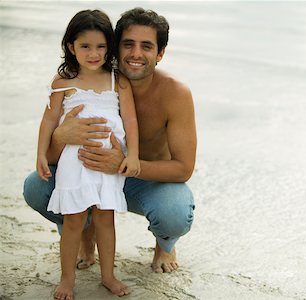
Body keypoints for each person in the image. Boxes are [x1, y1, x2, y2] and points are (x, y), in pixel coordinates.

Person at [24, 6, 196, 280]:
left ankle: (165, 246)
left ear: (160, 53)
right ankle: (84, 233)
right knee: (36, 187)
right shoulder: (85, 79)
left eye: (147, 46)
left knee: (174, 213)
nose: (136, 54)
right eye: (128, 44)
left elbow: (183, 169)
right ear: (116, 47)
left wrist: (127, 164)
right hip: (88, 167)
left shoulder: (174, 93)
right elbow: (54, 143)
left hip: (143, 178)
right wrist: (59, 136)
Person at [36, 9, 139, 299]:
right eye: (85, 46)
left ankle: (108, 276)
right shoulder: (62, 81)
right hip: (74, 161)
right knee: (73, 220)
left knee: (106, 218)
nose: (93, 54)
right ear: (71, 46)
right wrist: (41, 154)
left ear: (110, 46)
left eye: (101, 46)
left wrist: (134, 156)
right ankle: (67, 280)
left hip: (108, 162)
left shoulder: (117, 80)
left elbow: (130, 121)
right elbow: (48, 120)